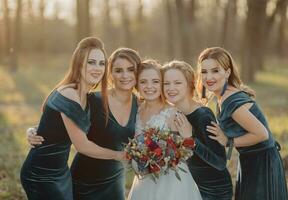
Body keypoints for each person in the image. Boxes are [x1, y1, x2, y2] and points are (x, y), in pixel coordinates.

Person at [26, 47, 142, 200]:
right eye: (118, 70)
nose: (125, 75)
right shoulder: (93, 100)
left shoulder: (140, 106)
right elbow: (58, 122)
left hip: (114, 180)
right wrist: (33, 130)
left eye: (131, 70)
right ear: (110, 73)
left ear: (138, 73)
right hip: (83, 180)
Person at [198, 47, 288, 200]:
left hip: (262, 163)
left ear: (227, 72)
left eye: (215, 71)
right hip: (251, 159)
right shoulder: (222, 96)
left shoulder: (231, 101)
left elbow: (262, 134)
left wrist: (228, 141)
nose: (209, 77)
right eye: (204, 71)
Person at [127, 60, 202, 200]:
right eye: (143, 82)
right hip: (144, 180)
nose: (149, 86)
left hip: (172, 183)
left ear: (161, 84)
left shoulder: (173, 113)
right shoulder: (136, 109)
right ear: (136, 84)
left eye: (155, 81)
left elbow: (187, 152)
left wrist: (163, 159)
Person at [162, 60, 233, 200]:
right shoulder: (173, 114)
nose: (171, 88)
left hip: (214, 191)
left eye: (177, 83)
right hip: (189, 186)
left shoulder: (203, 116)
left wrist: (191, 139)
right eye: (166, 83)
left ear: (190, 85)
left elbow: (220, 163)